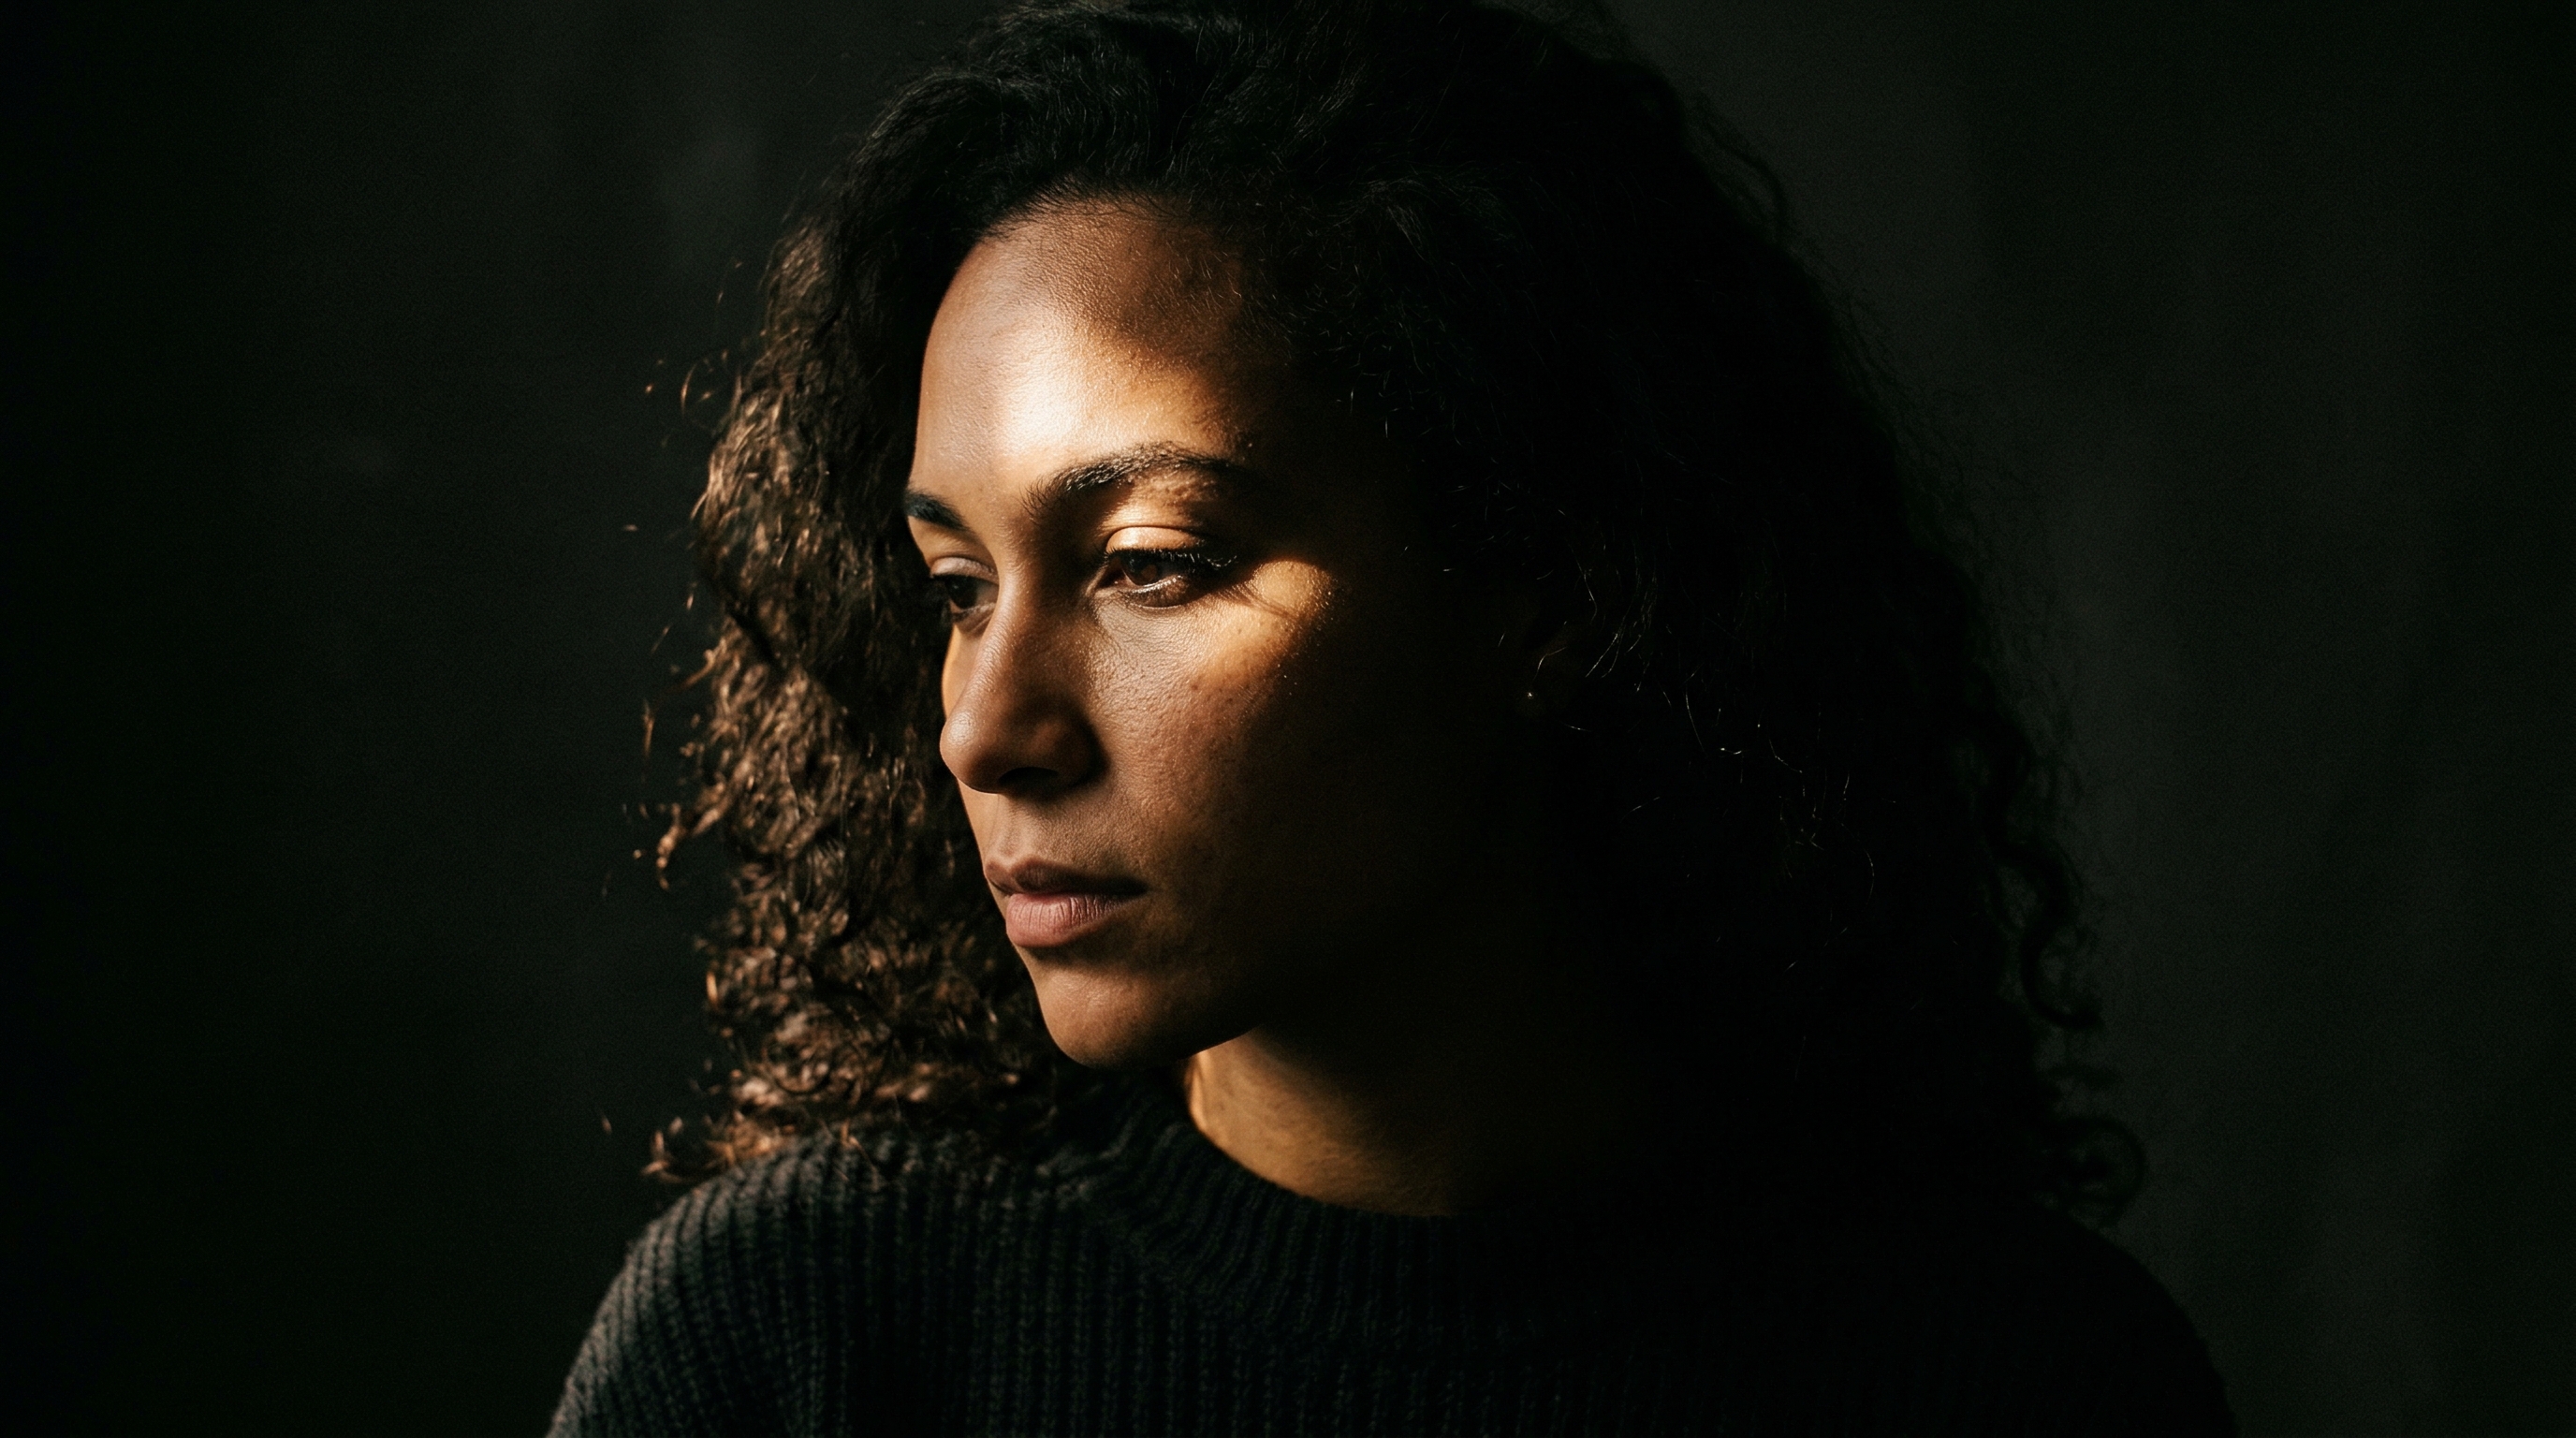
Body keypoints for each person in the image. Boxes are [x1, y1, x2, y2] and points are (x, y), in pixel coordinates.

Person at [552, 0, 2232, 1431]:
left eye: (1152, 564)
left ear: (1549, 588)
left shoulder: (2009, 1376)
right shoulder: (798, 1344)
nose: (986, 731)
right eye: (957, 589)